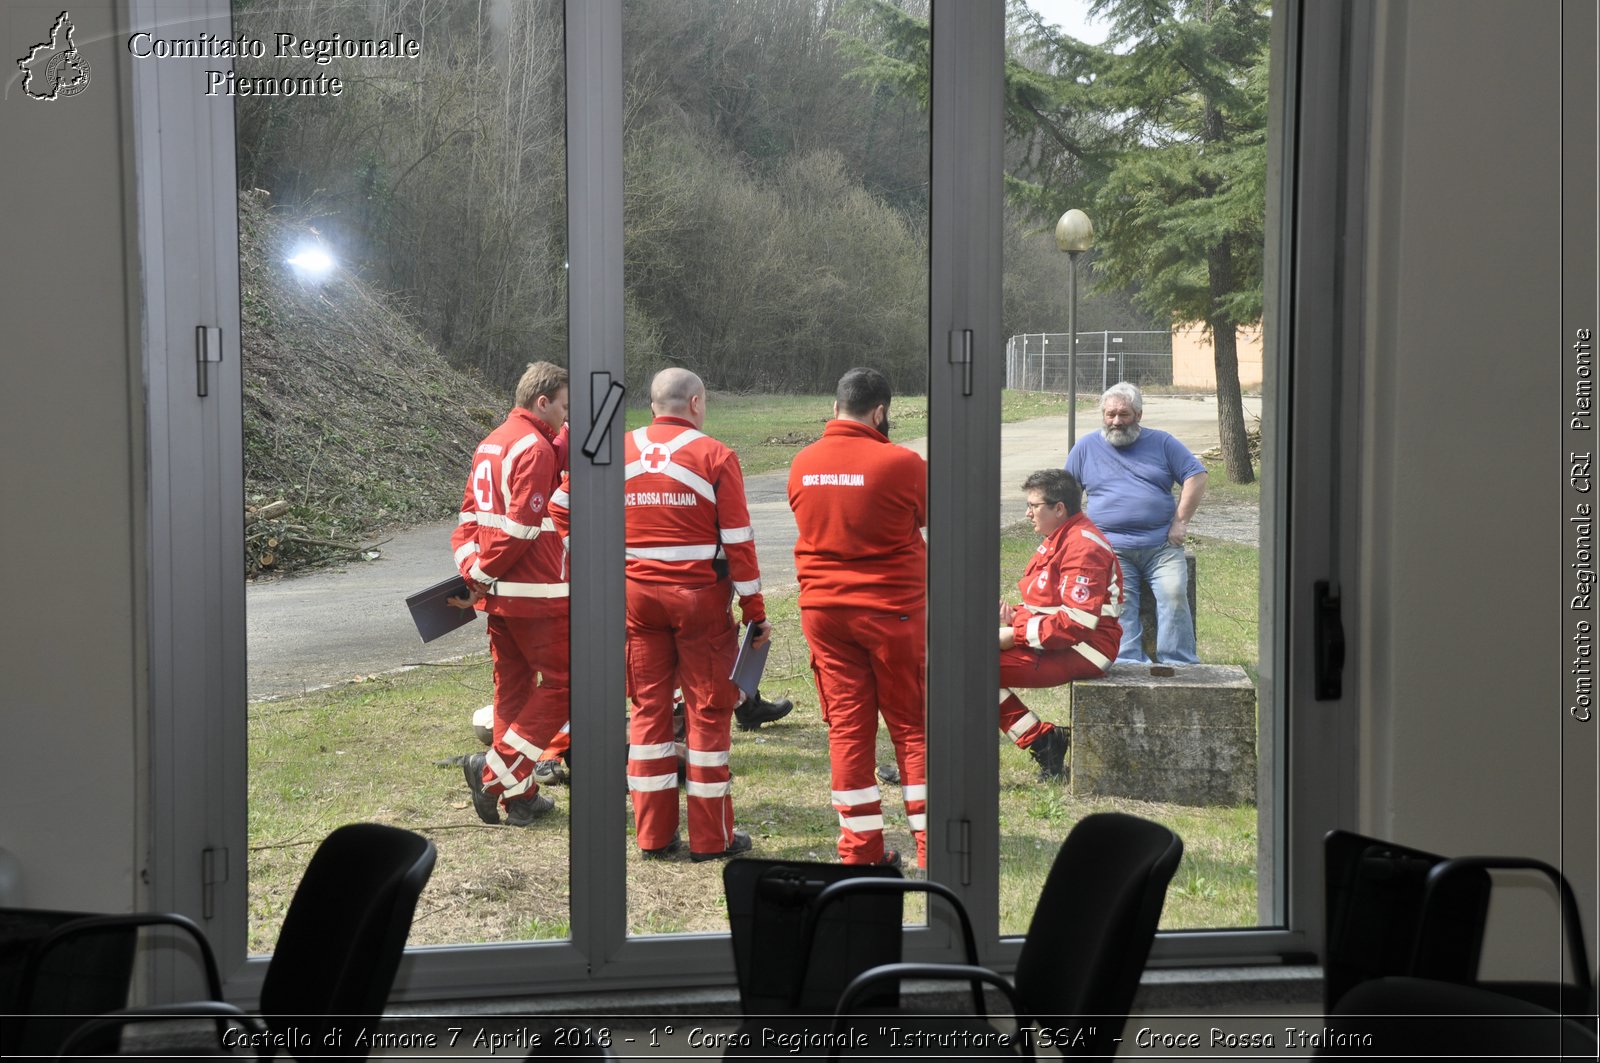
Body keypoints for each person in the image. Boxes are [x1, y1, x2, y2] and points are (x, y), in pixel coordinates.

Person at [624, 368, 769, 861]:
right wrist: (755, 609)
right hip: (699, 599)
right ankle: (712, 839)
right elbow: (739, 542)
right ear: (697, 403)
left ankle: (653, 836)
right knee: (707, 712)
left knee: (648, 709)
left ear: (652, 406)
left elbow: (565, 507)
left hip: (637, 598)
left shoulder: (619, 450)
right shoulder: (715, 455)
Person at [788, 368, 926, 869]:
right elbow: (932, 518)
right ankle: (931, 848)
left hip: (824, 613)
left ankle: (860, 851)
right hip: (893, 613)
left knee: (848, 730)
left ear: (836, 405)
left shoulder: (802, 462)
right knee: (912, 727)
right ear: (881, 412)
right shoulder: (903, 463)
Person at [451, 361, 570, 827]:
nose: (565, 416)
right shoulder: (534, 448)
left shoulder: (491, 442)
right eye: (563, 406)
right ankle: (494, 771)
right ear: (543, 402)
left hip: (500, 596)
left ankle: (519, 797)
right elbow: (521, 529)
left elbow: (466, 520)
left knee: (513, 690)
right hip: (537, 593)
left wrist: (472, 571)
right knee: (566, 685)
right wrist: (481, 573)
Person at [1065, 382, 1207, 664]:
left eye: (1124, 414)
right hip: (1109, 549)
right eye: (1110, 415)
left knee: (1174, 593)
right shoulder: (1085, 447)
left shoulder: (1163, 442)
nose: (1116, 421)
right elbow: (1066, 492)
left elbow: (1196, 475)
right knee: (1121, 603)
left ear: (1139, 415)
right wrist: (1075, 538)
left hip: (1162, 546)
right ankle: (1127, 662)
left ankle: (1178, 663)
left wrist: (1180, 522)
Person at [998, 469, 1124, 780]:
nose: (1027, 514)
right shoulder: (1062, 536)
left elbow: (1076, 622)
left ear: (1059, 508)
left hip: (1086, 648)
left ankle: (1041, 741)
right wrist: (1014, 615)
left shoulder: (1083, 546)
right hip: (1060, 641)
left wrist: (1013, 634)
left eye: (1033, 506)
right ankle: (1044, 741)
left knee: (961, 673)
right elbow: (1047, 603)